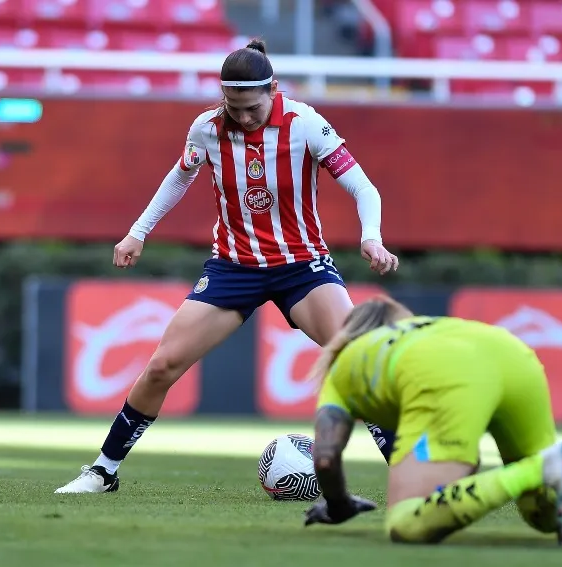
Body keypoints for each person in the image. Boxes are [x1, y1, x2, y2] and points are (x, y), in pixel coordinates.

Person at [54, 39, 400, 494]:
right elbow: (181, 175)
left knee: (357, 358)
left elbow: (363, 187)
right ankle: (102, 471)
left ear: (273, 89)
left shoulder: (305, 123)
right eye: (233, 107)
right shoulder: (206, 128)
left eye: (252, 108)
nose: (243, 117)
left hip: (301, 266)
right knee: (161, 367)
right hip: (233, 267)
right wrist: (139, 231)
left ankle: (413, 475)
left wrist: (369, 235)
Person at [302, 296, 562, 547]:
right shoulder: (425, 327)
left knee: (406, 524)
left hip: (445, 371)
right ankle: (558, 466)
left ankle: (545, 466)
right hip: (515, 355)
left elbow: (325, 459)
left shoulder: (346, 365)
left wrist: (339, 505)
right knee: (543, 515)